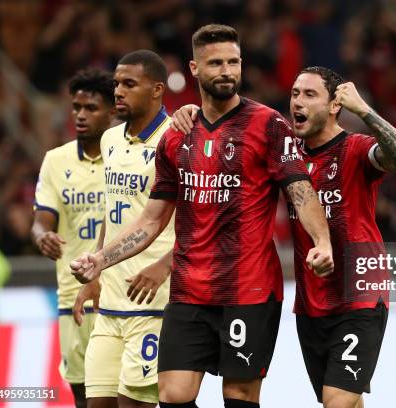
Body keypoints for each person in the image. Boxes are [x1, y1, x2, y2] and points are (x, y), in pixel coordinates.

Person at [71, 24, 333, 408]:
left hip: (249, 288)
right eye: (215, 63)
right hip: (190, 289)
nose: (227, 71)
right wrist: (100, 259)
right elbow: (151, 219)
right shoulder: (178, 136)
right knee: (173, 394)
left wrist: (322, 241)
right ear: (194, 69)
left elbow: (300, 190)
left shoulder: (268, 125)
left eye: (233, 62)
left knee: (239, 395)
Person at [173, 66, 396, 407]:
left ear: (335, 106)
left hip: (359, 294)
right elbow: (238, 123)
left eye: (310, 95)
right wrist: (196, 112)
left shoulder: (356, 149)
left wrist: (364, 110)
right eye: (295, 94)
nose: (298, 102)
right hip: (312, 302)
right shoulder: (285, 154)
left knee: (337, 399)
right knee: (344, 400)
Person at [72, 50, 175, 408]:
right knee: (95, 403)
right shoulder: (110, 140)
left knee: (135, 404)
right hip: (110, 302)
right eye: (116, 83)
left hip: (153, 304)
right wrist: (96, 273)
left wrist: (166, 265)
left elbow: (199, 219)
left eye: (129, 84)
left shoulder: (175, 139)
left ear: (157, 89)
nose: (118, 91)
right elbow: (109, 211)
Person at [31, 68, 114, 408]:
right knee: (83, 394)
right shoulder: (55, 160)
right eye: (76, 107)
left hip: (120, 293)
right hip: (72, 293)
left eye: (91, 108)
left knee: (130, 394)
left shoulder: (125, 155)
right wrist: (42, 237)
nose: (80, 115)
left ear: (112, 112)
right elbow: (40, 222)